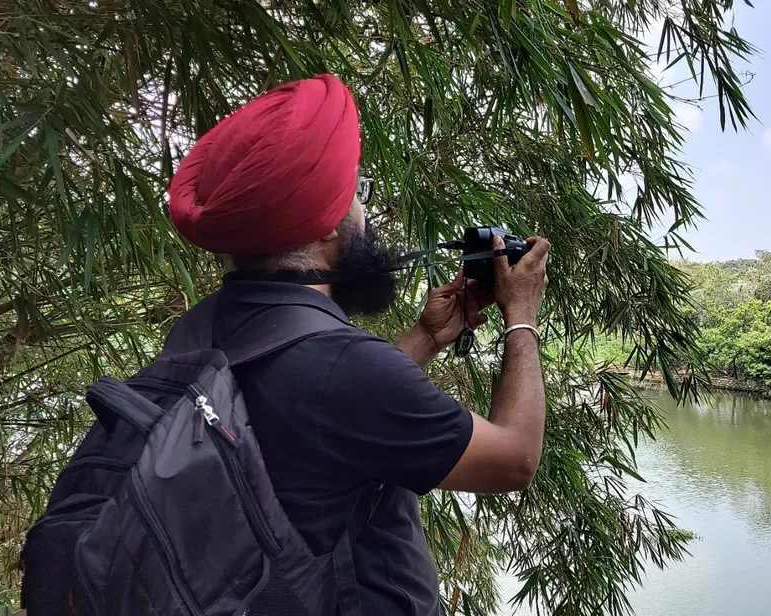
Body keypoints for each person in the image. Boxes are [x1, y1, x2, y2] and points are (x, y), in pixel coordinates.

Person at [165, 74, 549, 614]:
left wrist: (428, 336)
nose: (364, 209)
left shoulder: (196, 329)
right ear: (325, 227)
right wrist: (521, 316)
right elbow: (516, 460)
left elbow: (317, 412)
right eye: (358, 192)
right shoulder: (341, 366)